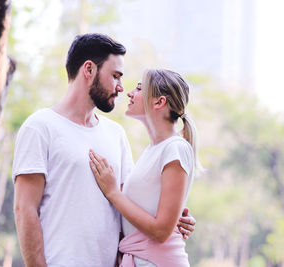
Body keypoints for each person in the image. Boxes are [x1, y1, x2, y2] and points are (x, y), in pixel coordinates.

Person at [12, 33, 195, 267]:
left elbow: (127, 204)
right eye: (116, 76)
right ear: (89, 70)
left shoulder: (116, 134)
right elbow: (24, 209)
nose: (121, 87)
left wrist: (173, 219)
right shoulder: (40, 127)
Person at [89, 69, 199, 266]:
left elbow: (160, 231)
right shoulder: (153, 150)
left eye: (139, 88)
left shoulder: (175, 148)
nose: (130, 93)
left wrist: (113, 193)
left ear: (159, 102)